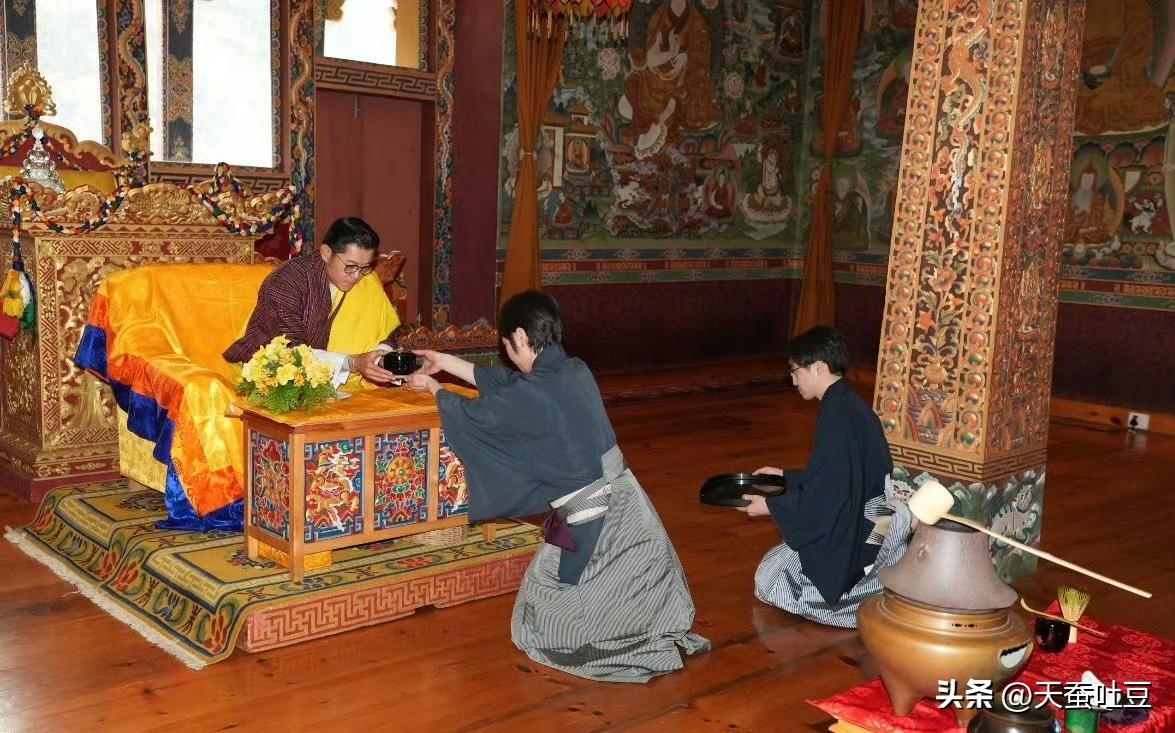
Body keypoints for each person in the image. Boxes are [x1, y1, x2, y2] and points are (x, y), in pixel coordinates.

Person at [403, 291, 709, 682]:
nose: (507, 354)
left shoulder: (532, 393)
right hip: (632, 510)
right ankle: (643, 620)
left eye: (506, 344)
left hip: (591, 516)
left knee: (544, 609)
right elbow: (509, 386)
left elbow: (485, 412)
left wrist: (435, 390)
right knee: (628, 583)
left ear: (519, 336)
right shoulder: (574, 370)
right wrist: (444, 363)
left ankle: (613, 636)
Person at [738, 326, 911, 627]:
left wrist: (771, 506)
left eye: (795, 371)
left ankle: (856, 596)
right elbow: (837, 477)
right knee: (777, 564)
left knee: (768, 579)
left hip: (859, 534)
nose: (793, 380)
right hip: (876, 521)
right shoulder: (850, 405)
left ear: (818, 367)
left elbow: (831, 497)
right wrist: (786, 477)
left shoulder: (837, 415)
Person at [223, 216, 400, 389]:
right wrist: (353, 363)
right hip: (270, 379)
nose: (356, 276)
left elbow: (394, 333)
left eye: (365, 267)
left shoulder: (367, 280)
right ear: (326, 253)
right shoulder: (287, 281)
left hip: (342, 382)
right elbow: (290, 351)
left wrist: (380, 358)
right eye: (351, 266)